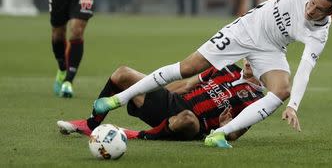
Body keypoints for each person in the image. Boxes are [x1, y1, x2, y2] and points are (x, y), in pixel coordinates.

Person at [94, 0, 332, 148]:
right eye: (311, 2)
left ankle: (219, 134)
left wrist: (293, 106)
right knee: (188, 67)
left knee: (282, 90)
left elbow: (305, 71)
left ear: (329, 13)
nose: (310, 9)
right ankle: (120, 98)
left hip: (271, 48)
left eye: (318, 9)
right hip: (245, 30)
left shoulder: (318, 35)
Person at [57, 61, 264, 141]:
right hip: (170, 102)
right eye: (249, 55)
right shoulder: (225, 68)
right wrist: (155, 91)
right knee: (122, 74)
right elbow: (186, 85)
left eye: (255, 58)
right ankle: (90, 124)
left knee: (187, 119)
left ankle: (137, 135)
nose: (248, 60)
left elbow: (235, 134)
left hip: (193, 126)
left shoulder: (257, 101)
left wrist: (225, 127)